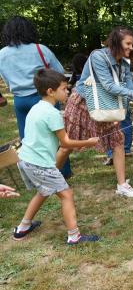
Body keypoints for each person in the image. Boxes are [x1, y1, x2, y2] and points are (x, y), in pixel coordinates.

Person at [56, 27, 133, 198]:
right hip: (83, 103)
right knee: (67, 144)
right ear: (116, 42)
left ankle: (122, 185)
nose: (131, 48)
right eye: (128, 44)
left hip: (108, 106)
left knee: (118, 141)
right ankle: (48, 179)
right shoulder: (98, 57)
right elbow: (108, 85)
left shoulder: (123, 63)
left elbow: (127, 88)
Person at [13, 69, 99, 244]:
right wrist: (88, 142)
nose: (67, 91)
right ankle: (74, 236)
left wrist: (79, 142)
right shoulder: (52, 113)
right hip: (39, 165)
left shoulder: (37, 108)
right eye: (64, 89)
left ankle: (23, 227)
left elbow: (54, 136)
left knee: (43, 191)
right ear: (50, 91)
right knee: (66, 194)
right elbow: (65, 143)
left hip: (26, 160)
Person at [0, 16, 72, 178]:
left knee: (28, 139)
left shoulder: (2, 54)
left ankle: (36, 174)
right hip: (44, 97)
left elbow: (5, 78)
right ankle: (62, 171)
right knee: (56, 135)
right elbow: (59, 71)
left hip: (20, 101)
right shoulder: (40, 49)